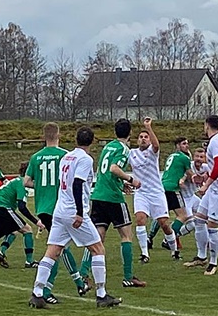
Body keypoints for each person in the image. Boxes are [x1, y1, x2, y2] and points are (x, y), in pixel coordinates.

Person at [28, 127, 122, 309]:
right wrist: (79, 212)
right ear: (92, 141)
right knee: (98, 249)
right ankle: (101, 294)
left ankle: (37, 293)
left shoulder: (67, 157)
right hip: (73, 212)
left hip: (60, 210)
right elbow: (77, 183)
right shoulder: (85, 159)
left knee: (52, 251)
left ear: (75, 140)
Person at [22, 123, 90, 304]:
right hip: (60, 206)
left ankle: (75, 284)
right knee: (58, 249)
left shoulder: (36, 157)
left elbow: (26, 182)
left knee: (58, 248)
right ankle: (49, 289)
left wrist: (40, 186)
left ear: (43, 136)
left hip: (42, 207)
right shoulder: (65, 156)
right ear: (59, 135)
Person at [83, 118, 145, 287]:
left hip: (98, 195)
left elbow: (105, 171)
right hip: (113, 198)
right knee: (126, 236)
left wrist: (120, 183)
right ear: (130, 132)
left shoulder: (108, 146)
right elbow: (113, 168)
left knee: (97, 238)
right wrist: (131, 179)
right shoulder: (124, 149)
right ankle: (128, 276)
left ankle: (83, 273)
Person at [184, 115, 218, 276]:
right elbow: (216, 166)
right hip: (215, 189)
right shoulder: (215, 141)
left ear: (207, 125)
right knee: (199, 220)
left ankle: (213, 263)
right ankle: (201, 257)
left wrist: (206, 184)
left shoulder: (216, 142)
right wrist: (204, 178)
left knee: (212, 226)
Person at [128, 117, 173, 265]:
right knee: (140, 219)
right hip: (141, 192)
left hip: (156, 192)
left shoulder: (152, 152)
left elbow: (156, 145)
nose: (143, 139)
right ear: (137, 140)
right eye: (141, 137)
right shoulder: (131, 153)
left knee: (163, 224)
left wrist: (148, 127)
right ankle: (144, 253)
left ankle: (174, 250)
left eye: (145, 137)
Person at [0, 162, 40, 268]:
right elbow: (22, 207)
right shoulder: (22, 183)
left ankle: (1, 252)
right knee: (27, 230)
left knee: (13, 232)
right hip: (1, 208)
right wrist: (37, 222)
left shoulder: (15, 181)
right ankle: (29, 262)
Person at [150, 136, 196, 260]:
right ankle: (168, 239)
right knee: (183, 215)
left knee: (162, 214)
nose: (187, 146)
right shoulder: (184, 157)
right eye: (184, 143)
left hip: (163, 186)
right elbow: (190, 174)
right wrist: (200, 178)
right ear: (177, 146)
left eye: (187, 143)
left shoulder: (172, 156)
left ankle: (149, 238)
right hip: (173, 188)